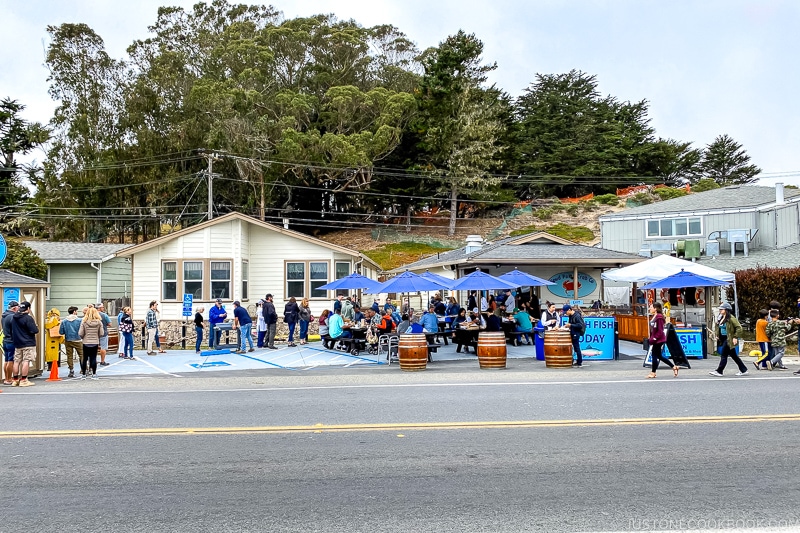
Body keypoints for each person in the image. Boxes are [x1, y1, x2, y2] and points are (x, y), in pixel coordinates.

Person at [709, 302, 748, 376]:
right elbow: (718, 327)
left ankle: (719, 371)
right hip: (723, 338)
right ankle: (743, 369)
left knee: (724, 355)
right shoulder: (720, 317)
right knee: (734, 356)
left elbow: (739, 328)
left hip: (729, 339)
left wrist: (735, 337)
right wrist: (717, 335)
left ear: (726, 310)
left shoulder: (731, 318)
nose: (720, 310)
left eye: (722, 309)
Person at [646, 302, 679, 378]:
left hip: (658, 339)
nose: (650, 309)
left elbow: (660, 330)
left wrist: (654, 338)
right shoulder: (655, 316)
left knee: (654, 355)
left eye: (651, 307)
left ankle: (653, 372)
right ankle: (674, 367)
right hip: (655, 338)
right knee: (659, 356)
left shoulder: (659, 317)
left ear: (655, 308)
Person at [11, 301, 39, 386]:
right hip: (28, 342)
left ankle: (15, 379)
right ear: (28, 309)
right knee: (26, 360)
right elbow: (34, 330)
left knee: (16, 361)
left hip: (17, 342)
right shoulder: (28, 318)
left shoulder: (14, 317)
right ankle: (24, 380)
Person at [79, 306, 103, 380]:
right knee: (93, 358)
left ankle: (83, 374)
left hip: (86, 342)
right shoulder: (99, 322)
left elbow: (80, 333)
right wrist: (97, 336)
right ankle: (94, 373)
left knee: (85, 358)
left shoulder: (84, 322)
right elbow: (102, 333)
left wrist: (83, 337)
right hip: (95, 342)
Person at [59, 306, 83, 378]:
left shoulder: (64, 321)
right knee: (82, 355)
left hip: (68, 340)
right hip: (78, 339)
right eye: (76, 311)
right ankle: (84, 369)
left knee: (69, 356)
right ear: (74, 312)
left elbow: (61, 332)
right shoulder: (79, 320)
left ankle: (71, 370)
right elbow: (82, 330)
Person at [2, 301, 19, 385]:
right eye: (18, 307)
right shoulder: (12, 317)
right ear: (14, 308)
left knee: (6, 360)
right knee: (11, 360)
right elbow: (15, 330)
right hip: (12, 341)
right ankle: (9, 379)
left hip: (5, 340)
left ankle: (6, 378)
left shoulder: (4, 316)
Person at [44, 308, 63, 372]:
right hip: (51, 339)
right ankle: (50, 366)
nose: (55, 316)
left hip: (55, 339)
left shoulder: (54, 321)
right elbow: (48, 326)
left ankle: (55, 365)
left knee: (55, 353)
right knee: (50, 353)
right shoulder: (50, 321)